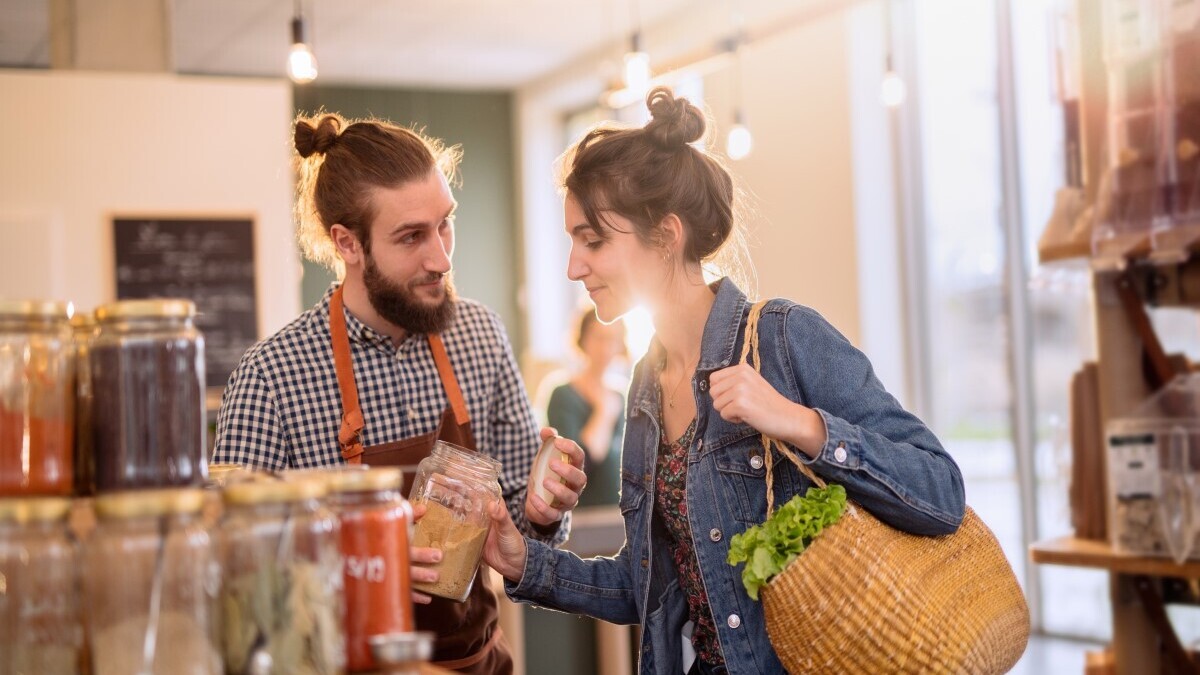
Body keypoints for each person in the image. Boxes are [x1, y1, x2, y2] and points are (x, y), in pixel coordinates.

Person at [481, 87, 966, 675]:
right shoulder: (644, 389)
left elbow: (941, 493)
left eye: (594, 240)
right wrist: (523, 562)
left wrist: (802, 425)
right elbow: (649, 590)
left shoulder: (785, 338)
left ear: (666, 235)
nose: (573, 266)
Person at [213, 112, 587, 674]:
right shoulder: (272, 375)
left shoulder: (479, 335)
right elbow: (230, 569)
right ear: (347, 243)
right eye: (412, 236)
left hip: (478, 662)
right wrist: (360, 561)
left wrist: (540, 511)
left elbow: (516, 526)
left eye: (445, 225)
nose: (441, 258)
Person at [545, 308, 626, 509]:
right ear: (583, 339)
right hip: (582, 515)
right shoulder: (563, 394)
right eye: (599, 338)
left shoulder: (622, 396)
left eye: (613, 339)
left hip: (618, 513)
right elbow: (581, 464)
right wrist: (603, 411)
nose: (606, 348)